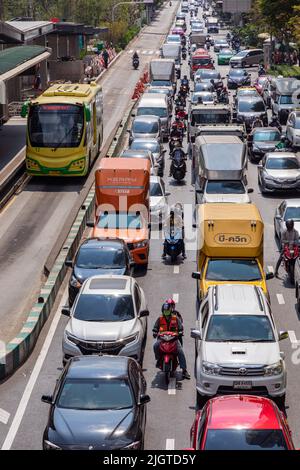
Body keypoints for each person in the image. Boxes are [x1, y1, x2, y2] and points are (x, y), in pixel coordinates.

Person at [153, 302, 190, 379]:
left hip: (173, 340)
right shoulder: (160, 318)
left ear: (170, 311)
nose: (166, 313)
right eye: (165, 311)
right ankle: (158, 359)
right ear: (163, 311)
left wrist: (180, 331)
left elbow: (180, 327)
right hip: (162, 339)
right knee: (155, 346)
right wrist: (155, 332)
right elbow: (155, 327)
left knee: (180, 352)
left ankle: (184, 370)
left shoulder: (175, 318)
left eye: (167, 311)